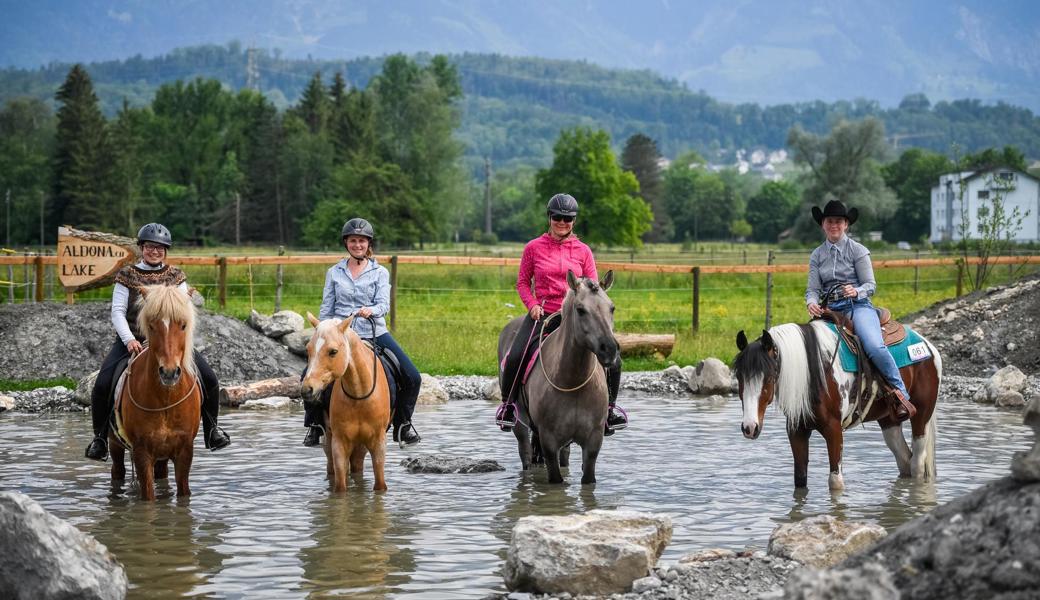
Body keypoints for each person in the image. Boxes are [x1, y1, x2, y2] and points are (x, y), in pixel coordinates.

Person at [85, 223, 230, 461]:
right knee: (102, 384)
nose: (155, 251)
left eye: (160, 248)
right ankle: (100, 439)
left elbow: (184, 312)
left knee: (210, 379)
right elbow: (117, 312)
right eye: (150, 247)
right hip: (134, 340)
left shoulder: (176, 276)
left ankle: (212, 430)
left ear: (166, 251)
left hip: (170, 342)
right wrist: (129, 340)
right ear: (142, 248)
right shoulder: (126, 275)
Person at [497, 193, 628, 435]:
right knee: (516, 355)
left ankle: (609, 411)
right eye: (557, 217)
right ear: (549, 217)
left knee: (614, 355)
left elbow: (592, 286)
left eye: (568, 218)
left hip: (577, 316)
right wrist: (532, 304)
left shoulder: (583, 251)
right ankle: (507, 407)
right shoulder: (533, 248)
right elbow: (523, 283)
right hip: (544, 314)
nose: (562, 222)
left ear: (574, 221)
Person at [302, 217, 421, 447]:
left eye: (362, 241)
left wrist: (371, 310)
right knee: (306, 376)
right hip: (340, 336)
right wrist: (327, 329)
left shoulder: (380, 272)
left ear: (369, 244)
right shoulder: (333, 272)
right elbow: (327, 308)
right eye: (353, 240)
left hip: (373, 331)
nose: (358, 245)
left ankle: (403, 425)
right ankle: (315, 426)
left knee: (412, 376)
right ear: (346, 243)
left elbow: (384, 305)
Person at [805, 200, 914, 421]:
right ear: (823, 225)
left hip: (858, 307)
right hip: (829, 310)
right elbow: (812, 289)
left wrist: (855, 291)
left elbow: (870, 285)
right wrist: (811, 302)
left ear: (846, 224)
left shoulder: (858, 250)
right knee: (808, 346)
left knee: (874, 345)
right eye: (829, 221)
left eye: (838, 221)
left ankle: (900, 392)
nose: (833, 225)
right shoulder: (817, 255)